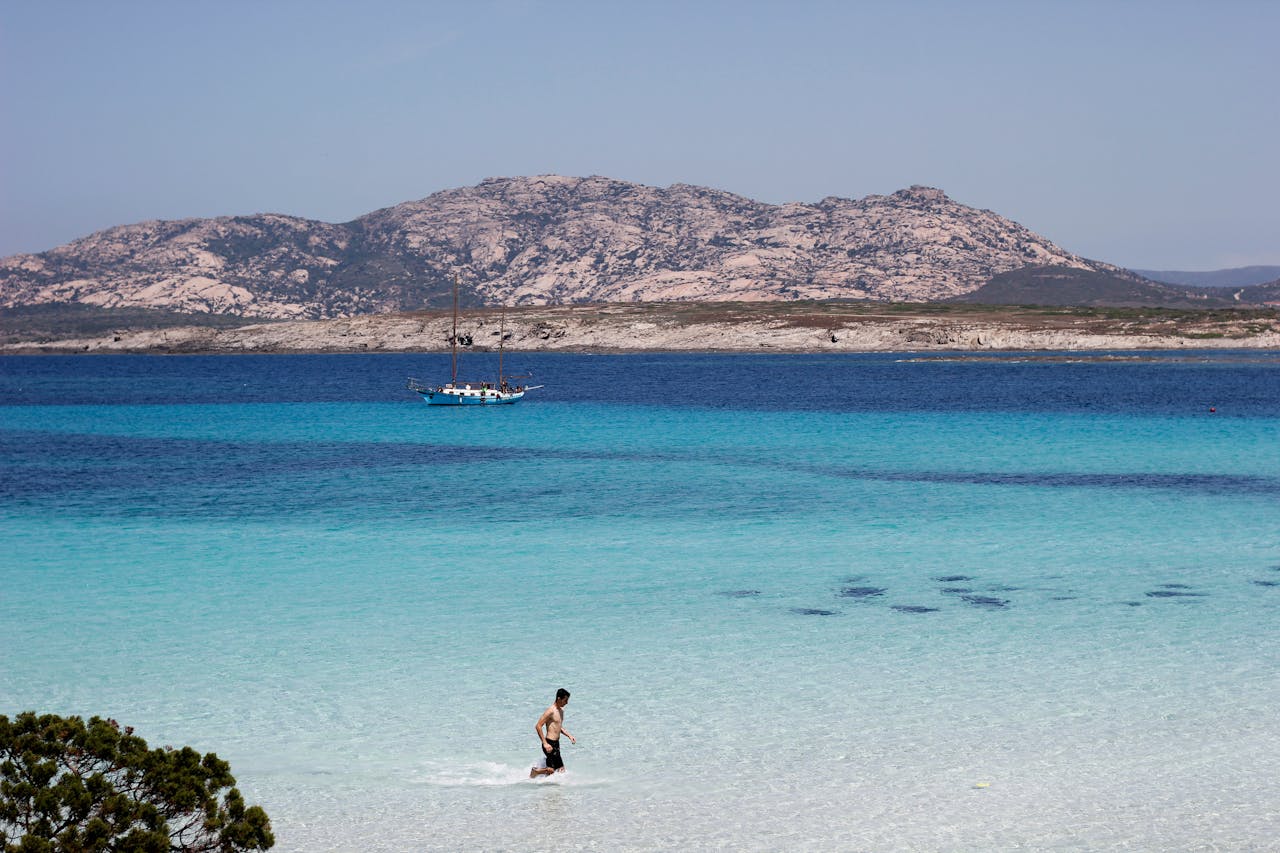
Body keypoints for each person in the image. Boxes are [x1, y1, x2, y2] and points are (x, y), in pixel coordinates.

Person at [529, 688, 575, 778]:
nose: (567, 703)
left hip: (556, 744)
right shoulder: (550, 711)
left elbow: (558, 727)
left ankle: (554, 790)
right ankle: (536, 772)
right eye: (565, 700)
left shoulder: (561, 711)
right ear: (559, 699)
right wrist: (545, 743)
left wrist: (569, 736)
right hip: (549, 743)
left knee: (561, 769)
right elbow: (538, 726)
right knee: (551, 770)